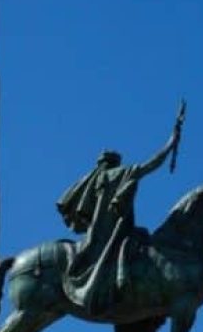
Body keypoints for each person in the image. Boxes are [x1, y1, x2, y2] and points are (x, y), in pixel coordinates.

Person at [56, 115, 182, 318]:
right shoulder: (124, 173)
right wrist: (171, 142)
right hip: (117, 232)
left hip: (96, 234)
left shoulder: (94, 179)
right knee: (140, 242)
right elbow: (153, 163)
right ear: (117, 162)